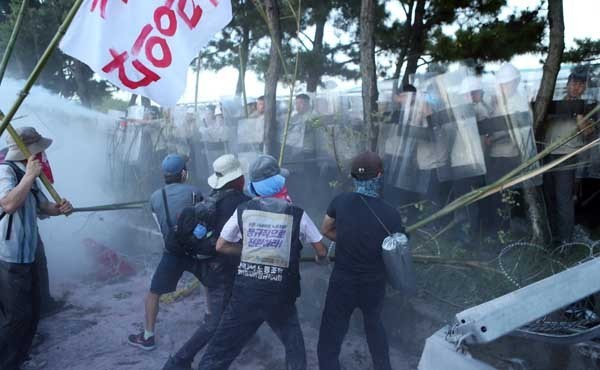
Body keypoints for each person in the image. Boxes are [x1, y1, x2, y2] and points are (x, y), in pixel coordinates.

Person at [196, 154, 329, 370]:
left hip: (246, 294)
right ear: (280, 183)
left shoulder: (243, 210)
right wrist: (320, 259)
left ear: (254, 188)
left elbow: (221, 245)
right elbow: (321, 249)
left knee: (220, 351)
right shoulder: (297, 214)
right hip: (280, 296)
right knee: (294, 348)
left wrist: (248, 250)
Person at [317, 151, 405, 370]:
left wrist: (347, 238)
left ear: (353, 176)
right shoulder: (391, 214)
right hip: (373, 283)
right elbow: (398, 248)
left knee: (331, 334)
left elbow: (326, 229)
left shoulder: (340, 202)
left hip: (342, 281)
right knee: (374, 327)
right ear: (380, 175)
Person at [162, 154, 250, 370]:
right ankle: (179, 361)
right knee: (214, 322)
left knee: (226, 312)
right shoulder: (241, 204)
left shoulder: (212, 199)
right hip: (223, 270)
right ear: (238, 179)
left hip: (209, 267)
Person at [0, 127, 73, 370]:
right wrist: (29, 177)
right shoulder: (7, 171)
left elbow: (43, 208)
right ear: (27, 151)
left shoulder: (29, 174)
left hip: (28, 253)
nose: (42, 154)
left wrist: (59, 207)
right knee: (16, 317)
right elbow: (9, 203)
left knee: (32, 312)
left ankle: (21, 358)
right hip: (9, 256)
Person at [128, 154, 204, 351]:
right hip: (196, 252)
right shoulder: (195, 192)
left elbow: (161, 225)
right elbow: (204, 218)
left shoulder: (155, 197)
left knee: (154, 294)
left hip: (172, 252)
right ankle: (213, 327)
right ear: (184, 173)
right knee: (214, 287)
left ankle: (147, 336)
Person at [543, 71, 594, 244]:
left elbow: (588, 132)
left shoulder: (587, 107)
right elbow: (541, 124)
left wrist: (579, 115)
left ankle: (566, 241)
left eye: (581, 84)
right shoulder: (554, 104)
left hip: (568, 157)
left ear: (585, 87)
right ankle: (553, 236)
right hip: (548, 155)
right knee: (549, 197)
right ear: (567, 84)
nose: (576, 87)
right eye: (573, 83)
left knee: (563, 199)